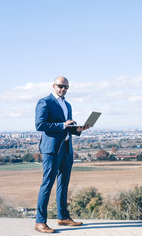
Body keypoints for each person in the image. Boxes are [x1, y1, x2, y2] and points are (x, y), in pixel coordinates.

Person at [34, 76, 89, 233]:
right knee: (47, 184)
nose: (63, 89)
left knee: (63, 185)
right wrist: (62, 124)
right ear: (53, 86)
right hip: (51, 150)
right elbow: (39, 125)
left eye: (66, 87)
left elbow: (67, 128)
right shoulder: (45, 102)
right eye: (60, 86)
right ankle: (39, 222)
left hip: (66, 149)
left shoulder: (68, 105)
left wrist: (78, 129)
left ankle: (63, 217)